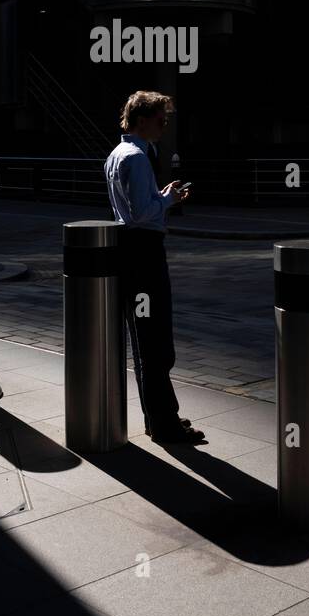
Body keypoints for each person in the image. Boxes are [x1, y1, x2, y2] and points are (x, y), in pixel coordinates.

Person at [104, 91, 205, 445]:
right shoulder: (137, 158)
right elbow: (142, 214)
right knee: (157, 342)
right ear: (142, 119)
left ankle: (158, 417)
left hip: (127, 252)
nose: (164, 125)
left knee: (143, 339)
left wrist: (159, 196)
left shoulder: (116, 155)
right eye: (160, 118)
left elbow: (131, 208)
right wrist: (170, 199)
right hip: (145, 252)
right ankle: (165, 423)